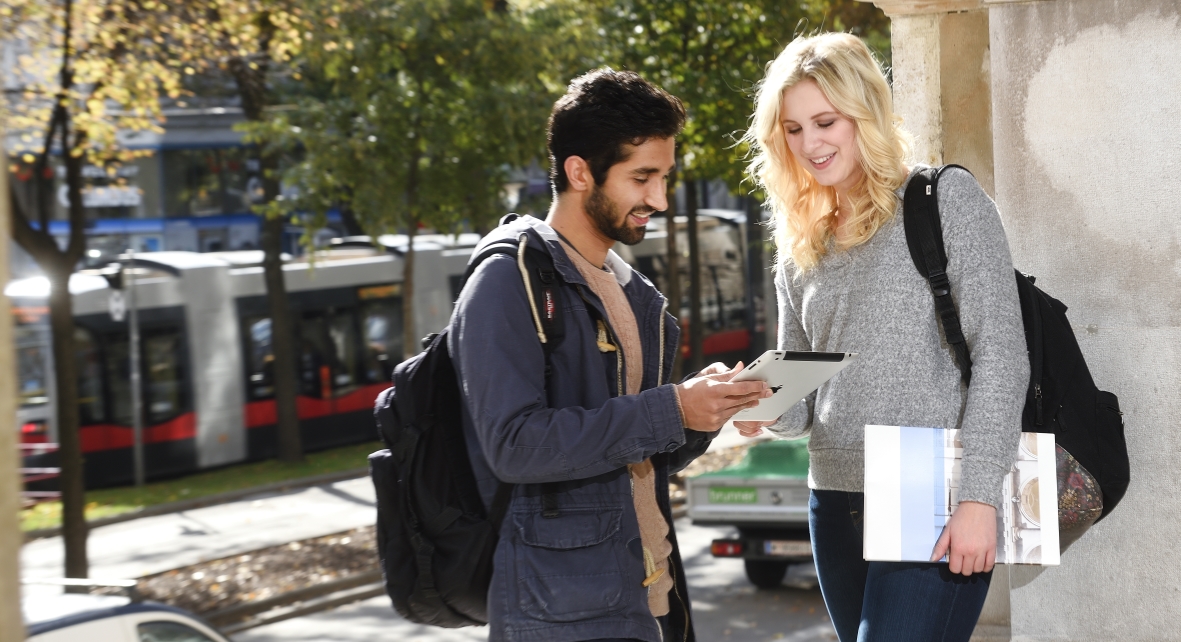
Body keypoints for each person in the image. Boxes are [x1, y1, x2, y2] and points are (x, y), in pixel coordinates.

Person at [450, 68, 772, 642]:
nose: (660, 199)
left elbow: (634, 458)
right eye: (642, 177)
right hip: (563, 617)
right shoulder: (507, 280)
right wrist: (671, 409)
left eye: (665, 177)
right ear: (580, 172)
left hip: (652, 603)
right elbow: (515, 446)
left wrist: (700, 410)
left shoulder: (632, 292)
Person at [736, 33, 1029, 642]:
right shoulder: (799, 239)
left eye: (825, 121)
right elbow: (806, 405)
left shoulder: (943, 200)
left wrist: (978, 498)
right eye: (792, 129)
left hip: (932, 492)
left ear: (864, 112)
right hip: (832, 500)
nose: (810, 143)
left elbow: (1002, 353)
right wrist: (755, 402)